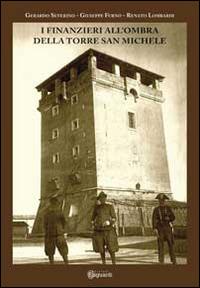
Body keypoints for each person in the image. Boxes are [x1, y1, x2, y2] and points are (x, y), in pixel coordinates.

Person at [91, 191, 119, 264]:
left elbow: (114, 218)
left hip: (109, 230)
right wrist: (93, 223)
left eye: (103, 198)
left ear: (105, 198)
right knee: (101, 248)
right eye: (100, 198)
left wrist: (109, 222)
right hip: (99, 230)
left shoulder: (110, 206)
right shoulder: (97, 208)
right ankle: (104, 262)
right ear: (99, 199)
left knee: (111, 248)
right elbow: (92, 218)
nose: (102, 199)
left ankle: (114, 263)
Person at [44, 194, 69, 264]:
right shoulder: (47, 214)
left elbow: (64, 223)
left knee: (64, 252)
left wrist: (64, 232)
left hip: (59, 235)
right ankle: (51, 264)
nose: (53, 206)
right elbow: (45, 225)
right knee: (50, 252)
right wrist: (47, 234)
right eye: (52, 204)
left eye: (55, 204)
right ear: (50, 205)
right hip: (50, 236)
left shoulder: (60, 213)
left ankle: (66, 263)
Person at [152, 193, 176, 264]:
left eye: (163, 200)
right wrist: (155, 228)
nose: (161, 202)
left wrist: (169, 218)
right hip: (160, 229)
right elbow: (153, 219)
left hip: (168, 228)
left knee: (171, 244)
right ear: (158, 201)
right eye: (160, 200)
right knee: (160, 245)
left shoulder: (168, 208)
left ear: (165, 201)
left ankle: (173, 260)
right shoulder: (156, 209)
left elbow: (173, 217)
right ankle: (161, 260)